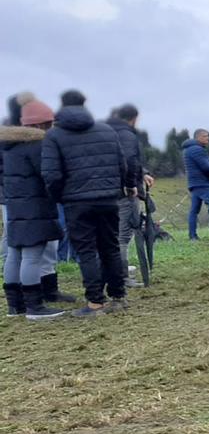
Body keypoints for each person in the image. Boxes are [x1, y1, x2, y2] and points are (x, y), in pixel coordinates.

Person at [42, 90, 133, 316]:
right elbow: (122, 165)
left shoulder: (54, 135)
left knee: (87, 252)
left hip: (76, 202)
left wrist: (59, 197)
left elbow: (51, 175)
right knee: (110, 247)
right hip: (108, 199)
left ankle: (95, 303)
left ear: (61, 106)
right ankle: (118, 297)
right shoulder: (107, 130)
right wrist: (119, 188)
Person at [2, 100, 68, 320]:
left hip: (14, 205)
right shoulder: (37, 146)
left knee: (14, 254)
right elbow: (49, 174)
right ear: (41, 125)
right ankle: (34, 307)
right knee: (32, 256)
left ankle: (15, 306)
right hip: (36, 207)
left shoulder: (8, 146)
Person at [106, 104, 153, 286]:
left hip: (107, 191)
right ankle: (122, 276)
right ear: (134, 118)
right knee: (123, 235)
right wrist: (131, 185)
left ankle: (111, 274)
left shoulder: (104, 133)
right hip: (124, 193)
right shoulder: (126, 135)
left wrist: (143, 173)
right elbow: (128, 160)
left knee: (111, 234)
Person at [183, 130, 209, 241]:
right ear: (197, 137)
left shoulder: (188, 149)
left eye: (208, 136)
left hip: (194, 183)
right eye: (204, 136)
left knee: (194, 210)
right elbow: (205, 166)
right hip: (202, 183)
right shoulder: (197, 149)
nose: (207, 138)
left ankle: (192, 236)